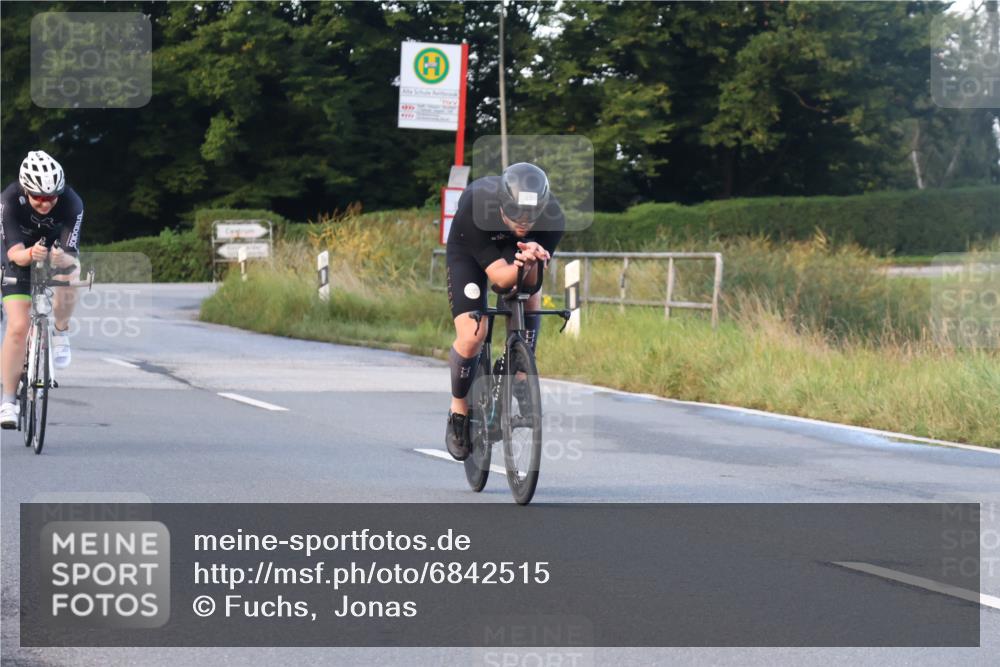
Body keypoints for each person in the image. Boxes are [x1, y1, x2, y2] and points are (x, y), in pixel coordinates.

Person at [443, 162, 565, 460]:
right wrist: (521, 264)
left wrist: (530, 263)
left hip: (513, 249)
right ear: (501, 206)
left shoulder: (553, 218)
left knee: (529, 298)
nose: (523, 222)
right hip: (469, 250)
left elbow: (530, 286)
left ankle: (520, 371)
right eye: (515, 214)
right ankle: (458, 409)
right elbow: (499, 279)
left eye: (531, 217)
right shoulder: (478, 205)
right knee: (474, 333)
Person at [0, 150, 84, 429]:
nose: (45, 203)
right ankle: (8, 401)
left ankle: (60, 330)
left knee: (72, 272)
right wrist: (29, 254)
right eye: (38, 197)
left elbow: (71, 251)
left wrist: (63, 258)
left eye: (51, 197)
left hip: (53, 248)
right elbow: (14, 254)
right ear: (26, 189)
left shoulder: (72, 203)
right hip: (18, 254)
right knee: (18, 325)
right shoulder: (9, 200)